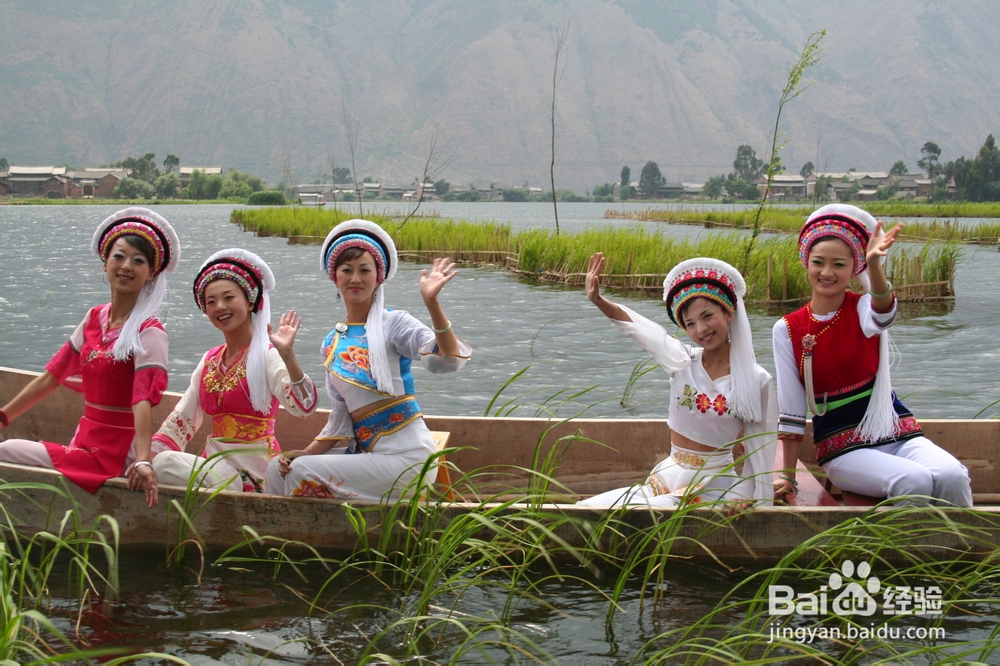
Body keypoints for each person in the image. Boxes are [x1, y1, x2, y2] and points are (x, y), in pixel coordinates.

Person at [772, 204, 972, 506]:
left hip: (894, 431)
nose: (827, 272)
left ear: (854, 269)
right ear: (806, 263)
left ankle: (961, 549)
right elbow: (791, 411)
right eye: (819, 262)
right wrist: (787, 476)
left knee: (952, 476)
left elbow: (884, 312)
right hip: (843, 448)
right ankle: (903, 553)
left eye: (839, 264)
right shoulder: (788, 329)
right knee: (913, 480)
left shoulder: (862, 309)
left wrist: (875, 266)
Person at [264, 219, 471, 501]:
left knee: (302, 473)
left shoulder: (394, 322)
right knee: (280, 468)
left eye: (365, 270)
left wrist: (432, 303)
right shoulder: (331, 343)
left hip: (408, 458)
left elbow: (445, 358)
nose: (355, 278)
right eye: (346, 270)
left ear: (378, 277)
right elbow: (340, 417)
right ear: (334, 277)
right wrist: (306, 452)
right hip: (369, 454)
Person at [0, 207, 179, 507]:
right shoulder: (95, 317)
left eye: (138, 261)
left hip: (119, 451)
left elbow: (143, 400)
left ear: (150, 274)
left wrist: (144, 461)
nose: (126, 266)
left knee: (5, 451)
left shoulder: (150, 332)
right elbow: (50, 378)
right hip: (85, 441)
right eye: (119, 256)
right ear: (105, 264)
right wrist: (3, 416)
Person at [577, 253, 777, 509]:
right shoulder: (682, 361)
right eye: (690, 324)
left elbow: (761, 448)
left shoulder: (757, 380)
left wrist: (749, 499)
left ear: (728, 313)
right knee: (587, 509)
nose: (701, 330)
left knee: (637, 512)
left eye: (707, 316)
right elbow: (639, 328)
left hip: (715, 484)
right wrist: (598, 300)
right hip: (669, 475)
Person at [150, 249, 318, 492]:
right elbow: (182, 418)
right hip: (214, 468)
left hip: (258, 469)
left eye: (229, 298)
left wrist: (287, 355)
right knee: (161, 461)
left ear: (250, 301)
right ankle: (226, 486)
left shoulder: (266, 355)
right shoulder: (209, 360)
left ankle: (236, 487)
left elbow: (305, 407)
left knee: (165, 464)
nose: (219, 307)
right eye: (211, 301)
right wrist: (148, 459)